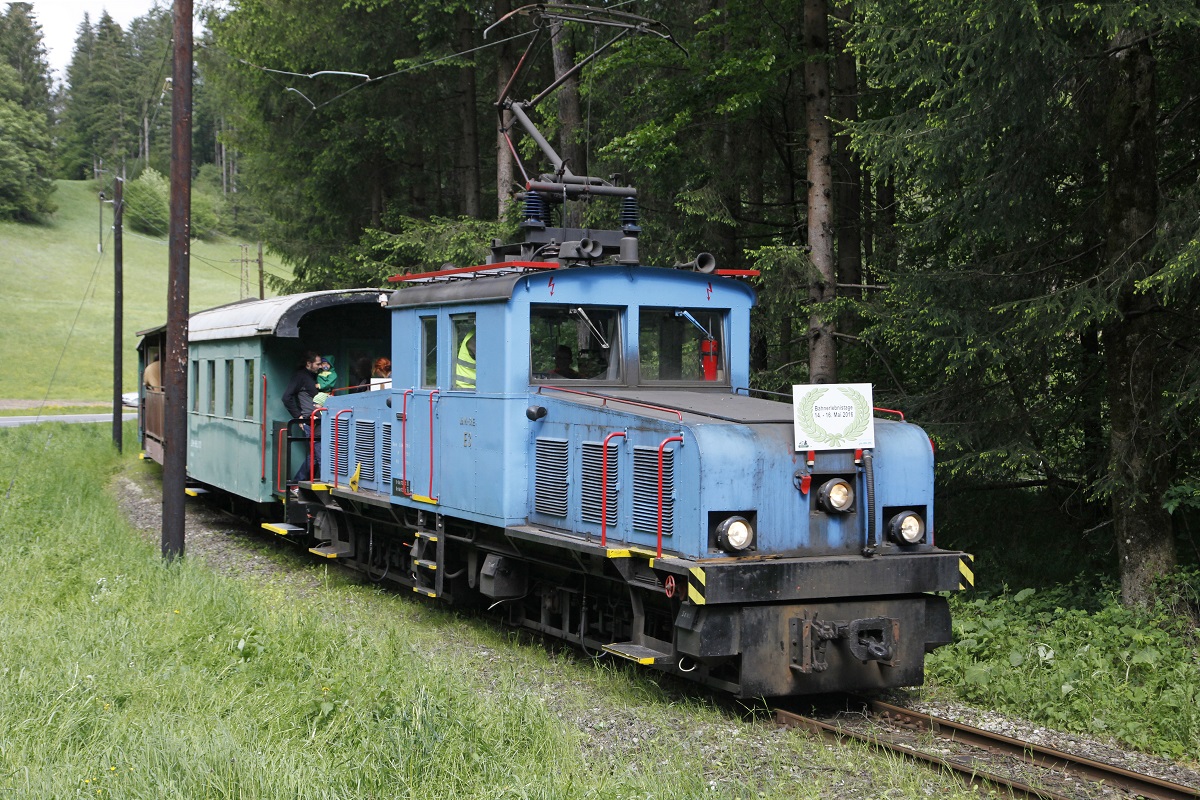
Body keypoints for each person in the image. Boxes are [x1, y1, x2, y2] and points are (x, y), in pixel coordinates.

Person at [282, 351, 321, 484]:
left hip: (317, 421)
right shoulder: (300, 376)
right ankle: (297, 483)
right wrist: (298, 416)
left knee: (316, 455)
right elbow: (286, 397)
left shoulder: (314, 377)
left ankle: (301, 483)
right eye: (318, 364)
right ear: (308, 364)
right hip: (309, 421)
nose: (320, 366)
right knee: (317, 454)